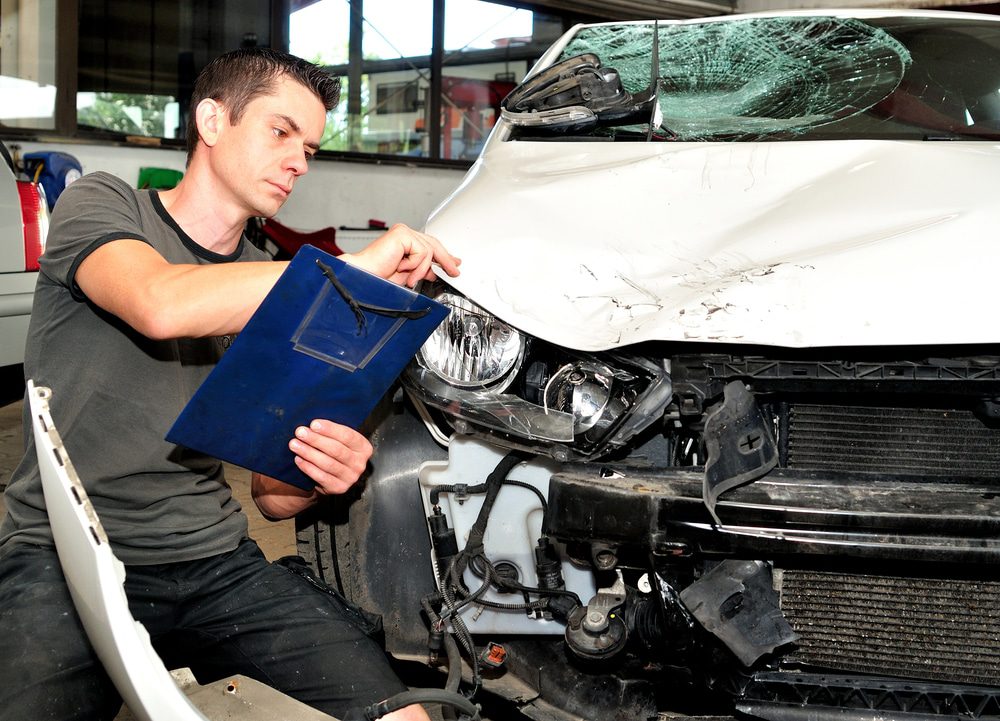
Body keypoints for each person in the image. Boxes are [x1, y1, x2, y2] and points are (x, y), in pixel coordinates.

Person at [0, 47, 459, 721]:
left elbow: (274, 497)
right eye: (281, 132)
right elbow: (159, 303)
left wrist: (326, 468)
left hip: (212, 560)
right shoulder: (103, 205)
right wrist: (344, 274)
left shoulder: (271, 277)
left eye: (310, 146)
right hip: (63, 554)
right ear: (211, 120)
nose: (300, 160)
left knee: (406, 716)